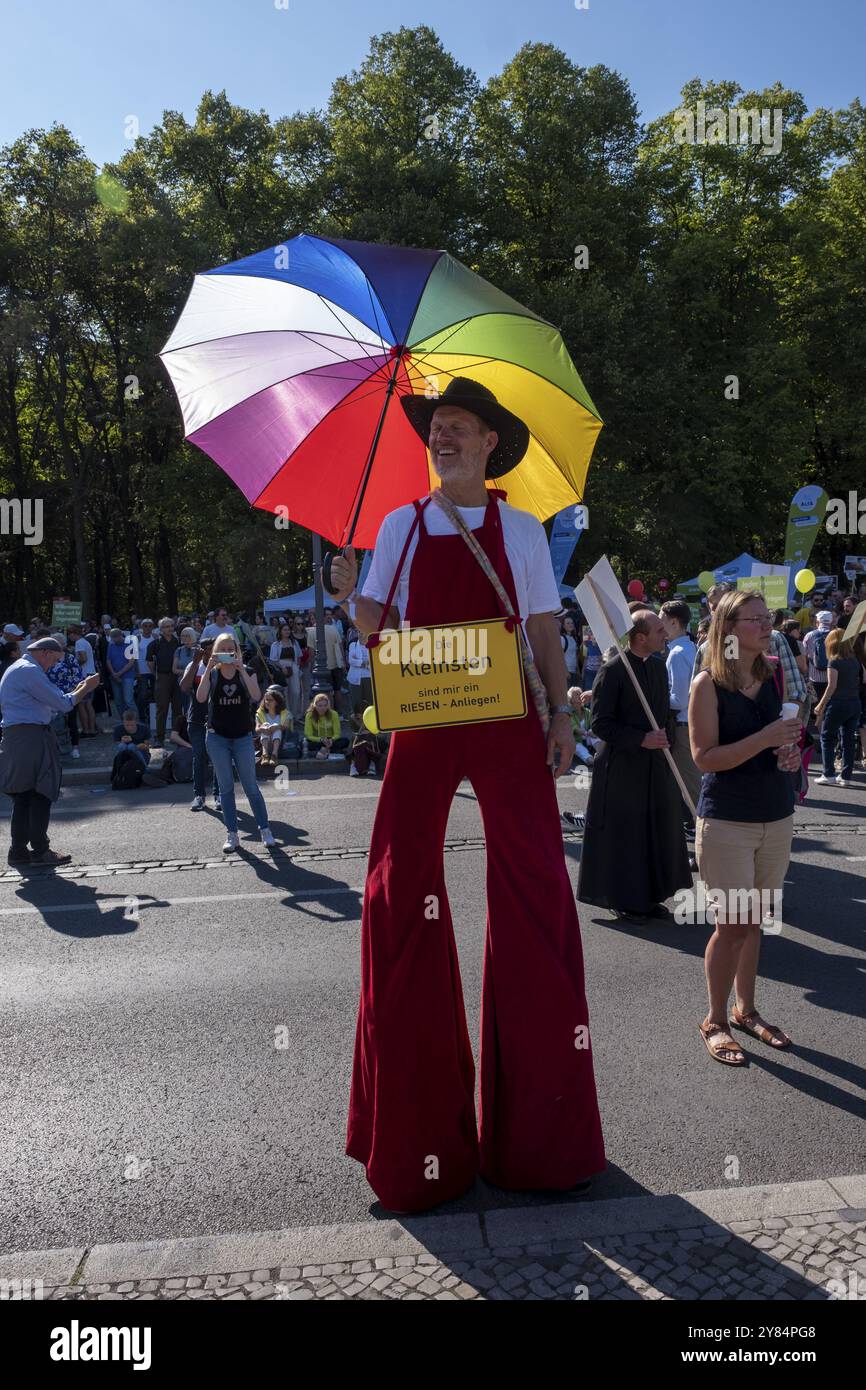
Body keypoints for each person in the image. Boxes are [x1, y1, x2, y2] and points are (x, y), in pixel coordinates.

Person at [328, 376, 604, 1214]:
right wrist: (350, 591)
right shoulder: (397, 525)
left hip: (505, 713)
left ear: (491, 443)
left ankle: (542, 1143)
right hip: (425, 710)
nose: (441, 436)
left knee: (536, 893)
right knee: (396, 894)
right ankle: (417, 1148)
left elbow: (547, 628)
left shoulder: (521, 528)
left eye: (457, 427)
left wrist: (561, 713)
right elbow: (376, 627)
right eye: (435, 427)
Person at [689, 589, 800, 1065]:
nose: (764, 624)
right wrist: (764, 739)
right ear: (729, 630)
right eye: (753, 619)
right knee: (732, 925)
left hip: (776, 815)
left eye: (766, 617)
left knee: (755, 923)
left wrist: (790, 751)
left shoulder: (772, 671)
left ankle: (746, 1010)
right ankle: (714, 1019)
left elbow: (788, 738)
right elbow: (704, 758)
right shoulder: (707, 685)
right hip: (728, 820)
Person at [578, 609, 693, 922]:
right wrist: (640, 739)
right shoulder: (613, 671)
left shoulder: (656, 667)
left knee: (656, 831)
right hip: (622, 768)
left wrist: (664, 735)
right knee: (627, 836)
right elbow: (600, 724)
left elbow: (662, 713)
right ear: (640, 638)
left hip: (654, 765)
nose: (664, 635)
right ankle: (626, 900)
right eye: (658, 631)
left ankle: (651, 896)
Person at [0, 637, 100, 866]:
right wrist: (86, 687)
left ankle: (18, 851)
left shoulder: (20, 668)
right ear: (44, 653)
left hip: (21, 737)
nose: (53, 665)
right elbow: (63, 705)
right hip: (30, 738)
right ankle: (40, 851)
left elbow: (50, 704)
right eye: (53, 660)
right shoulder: (29, 671)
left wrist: (73, 693)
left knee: (23, 795)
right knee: (40, 793)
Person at [196, 632, 275, 852]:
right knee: (226, 788)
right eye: (222, 649)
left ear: (237, 651)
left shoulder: (246, 671)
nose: (227, 653)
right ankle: (232, 835)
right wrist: (208, 670)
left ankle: (265, 830)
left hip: (242, 737)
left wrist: (241, 668)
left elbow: (257, 695)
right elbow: (201, 698)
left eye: (231, 649)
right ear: (215, 652)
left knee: (251, 786)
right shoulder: (212, 675)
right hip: (217, 737)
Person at [660, 599, 700, 862]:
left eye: (661, 620)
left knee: (692, 792)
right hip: (688, 725)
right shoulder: (689, 647)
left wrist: (658, 698)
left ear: (675, 622)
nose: (659, 625)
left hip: (684, 727)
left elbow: (680, 699)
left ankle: (704, 851)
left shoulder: (676, 653)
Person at [813, 628, 861, 786]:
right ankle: (846, 776)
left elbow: (831, 686)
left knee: (827, 738)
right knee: (848, 739)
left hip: (837, 703)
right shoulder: (854, 660)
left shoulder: (834, 661)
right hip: (854, 702)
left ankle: (828, 774)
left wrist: (821, 704)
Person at [179, 637, 221, 813]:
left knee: (219, 759)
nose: (211, 652)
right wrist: (196, 663)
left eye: (214, 649)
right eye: (208, 649)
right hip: (196, 719)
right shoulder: (193, 665)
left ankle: (219, 795)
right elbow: (184, 687)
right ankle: (199, 796)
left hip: (217, 719)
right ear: (202, 651)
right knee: (199, 757)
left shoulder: (221, 666)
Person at [149, 617, 181, 745]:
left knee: (178, 709)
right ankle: (159, 737)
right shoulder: (154, 644)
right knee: (162, 708)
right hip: (162, 677)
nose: (170, 629)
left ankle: (176, 736)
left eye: (171, 626)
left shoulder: (178, 642)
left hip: (177, 677)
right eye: (166, 627)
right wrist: (157, 675)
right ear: (161, 629)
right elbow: (150, 663)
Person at [802, 610, 833, 722]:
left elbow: (804, 656)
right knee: (830, 706)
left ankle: (820, 732)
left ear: (817, 621)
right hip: (833, 678)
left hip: (814, 677)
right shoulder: (836, 635)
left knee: (818, 706)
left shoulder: (809, 635)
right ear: (831, 621)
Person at [255, 686, 295, 764]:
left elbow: (286, 727)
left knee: (277, 727)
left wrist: (277, 727)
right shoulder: (260, 713)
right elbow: (256, 729)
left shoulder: (286, 713)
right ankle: (265, 755)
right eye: (266, 700)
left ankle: (274, 755)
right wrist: (262, 729)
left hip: (281, 744)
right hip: (265, 743)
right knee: (265, 725)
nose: (267, 702)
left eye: (270, 700)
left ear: (277, 702)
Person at [269, 623, 302, 718]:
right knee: (285, 692)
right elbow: (273, 660)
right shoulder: (276, 644)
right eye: (284, 630)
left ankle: (295, 714)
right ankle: (286, 715)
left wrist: (297, 667)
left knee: (296, 691)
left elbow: (299, 656)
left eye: (288, 629)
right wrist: (281, 668)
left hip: (293, 666)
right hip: (281, 668)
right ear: (280, 631)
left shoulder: (294, 643)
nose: (287, 631)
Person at [303, 692, 349, 759]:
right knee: (306, 743)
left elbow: (337, 733)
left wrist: (331, 740)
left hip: (331, 740)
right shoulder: (309, 715)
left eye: (325, 705)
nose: (323, 708)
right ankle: (332, 751)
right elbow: (308, 735)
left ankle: (323, 751)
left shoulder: (334, 714)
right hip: (317, 740)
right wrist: (321, 739)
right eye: (320, 706)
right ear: (315, 705)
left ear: (328, 705)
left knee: (345, 741)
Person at [105, 627, 136, 717]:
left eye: (114, 638)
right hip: (114, 676)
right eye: (112, 638)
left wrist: (119, 673)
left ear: (119, 636)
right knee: (118, 701)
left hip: (128, 676)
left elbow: (131, 662)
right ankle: (123, 723)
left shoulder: (129, 644)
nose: (113, 640)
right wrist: (114, 673)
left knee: (128, 701)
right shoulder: (111, 645)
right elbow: (108, 661)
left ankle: (136, 722)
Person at [346, 630, 373, 728]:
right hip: (355, 679)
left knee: (369, 702)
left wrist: (359, 662)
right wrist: (364, 663)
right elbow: (351, 660)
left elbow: (374, 661)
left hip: (369, 677)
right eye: (359, 632)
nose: (361, 634)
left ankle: (369, 725)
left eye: (363, 632)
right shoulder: (353, 644)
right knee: (356, 703)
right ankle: (357, 727)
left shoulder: (372, 645)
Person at [580, 625, 602, 691]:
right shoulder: (587, 630)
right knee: (588, 692)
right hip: (589, 670)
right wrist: (583, 670)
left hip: (600, 670)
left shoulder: (603, 630)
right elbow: (585, 654)